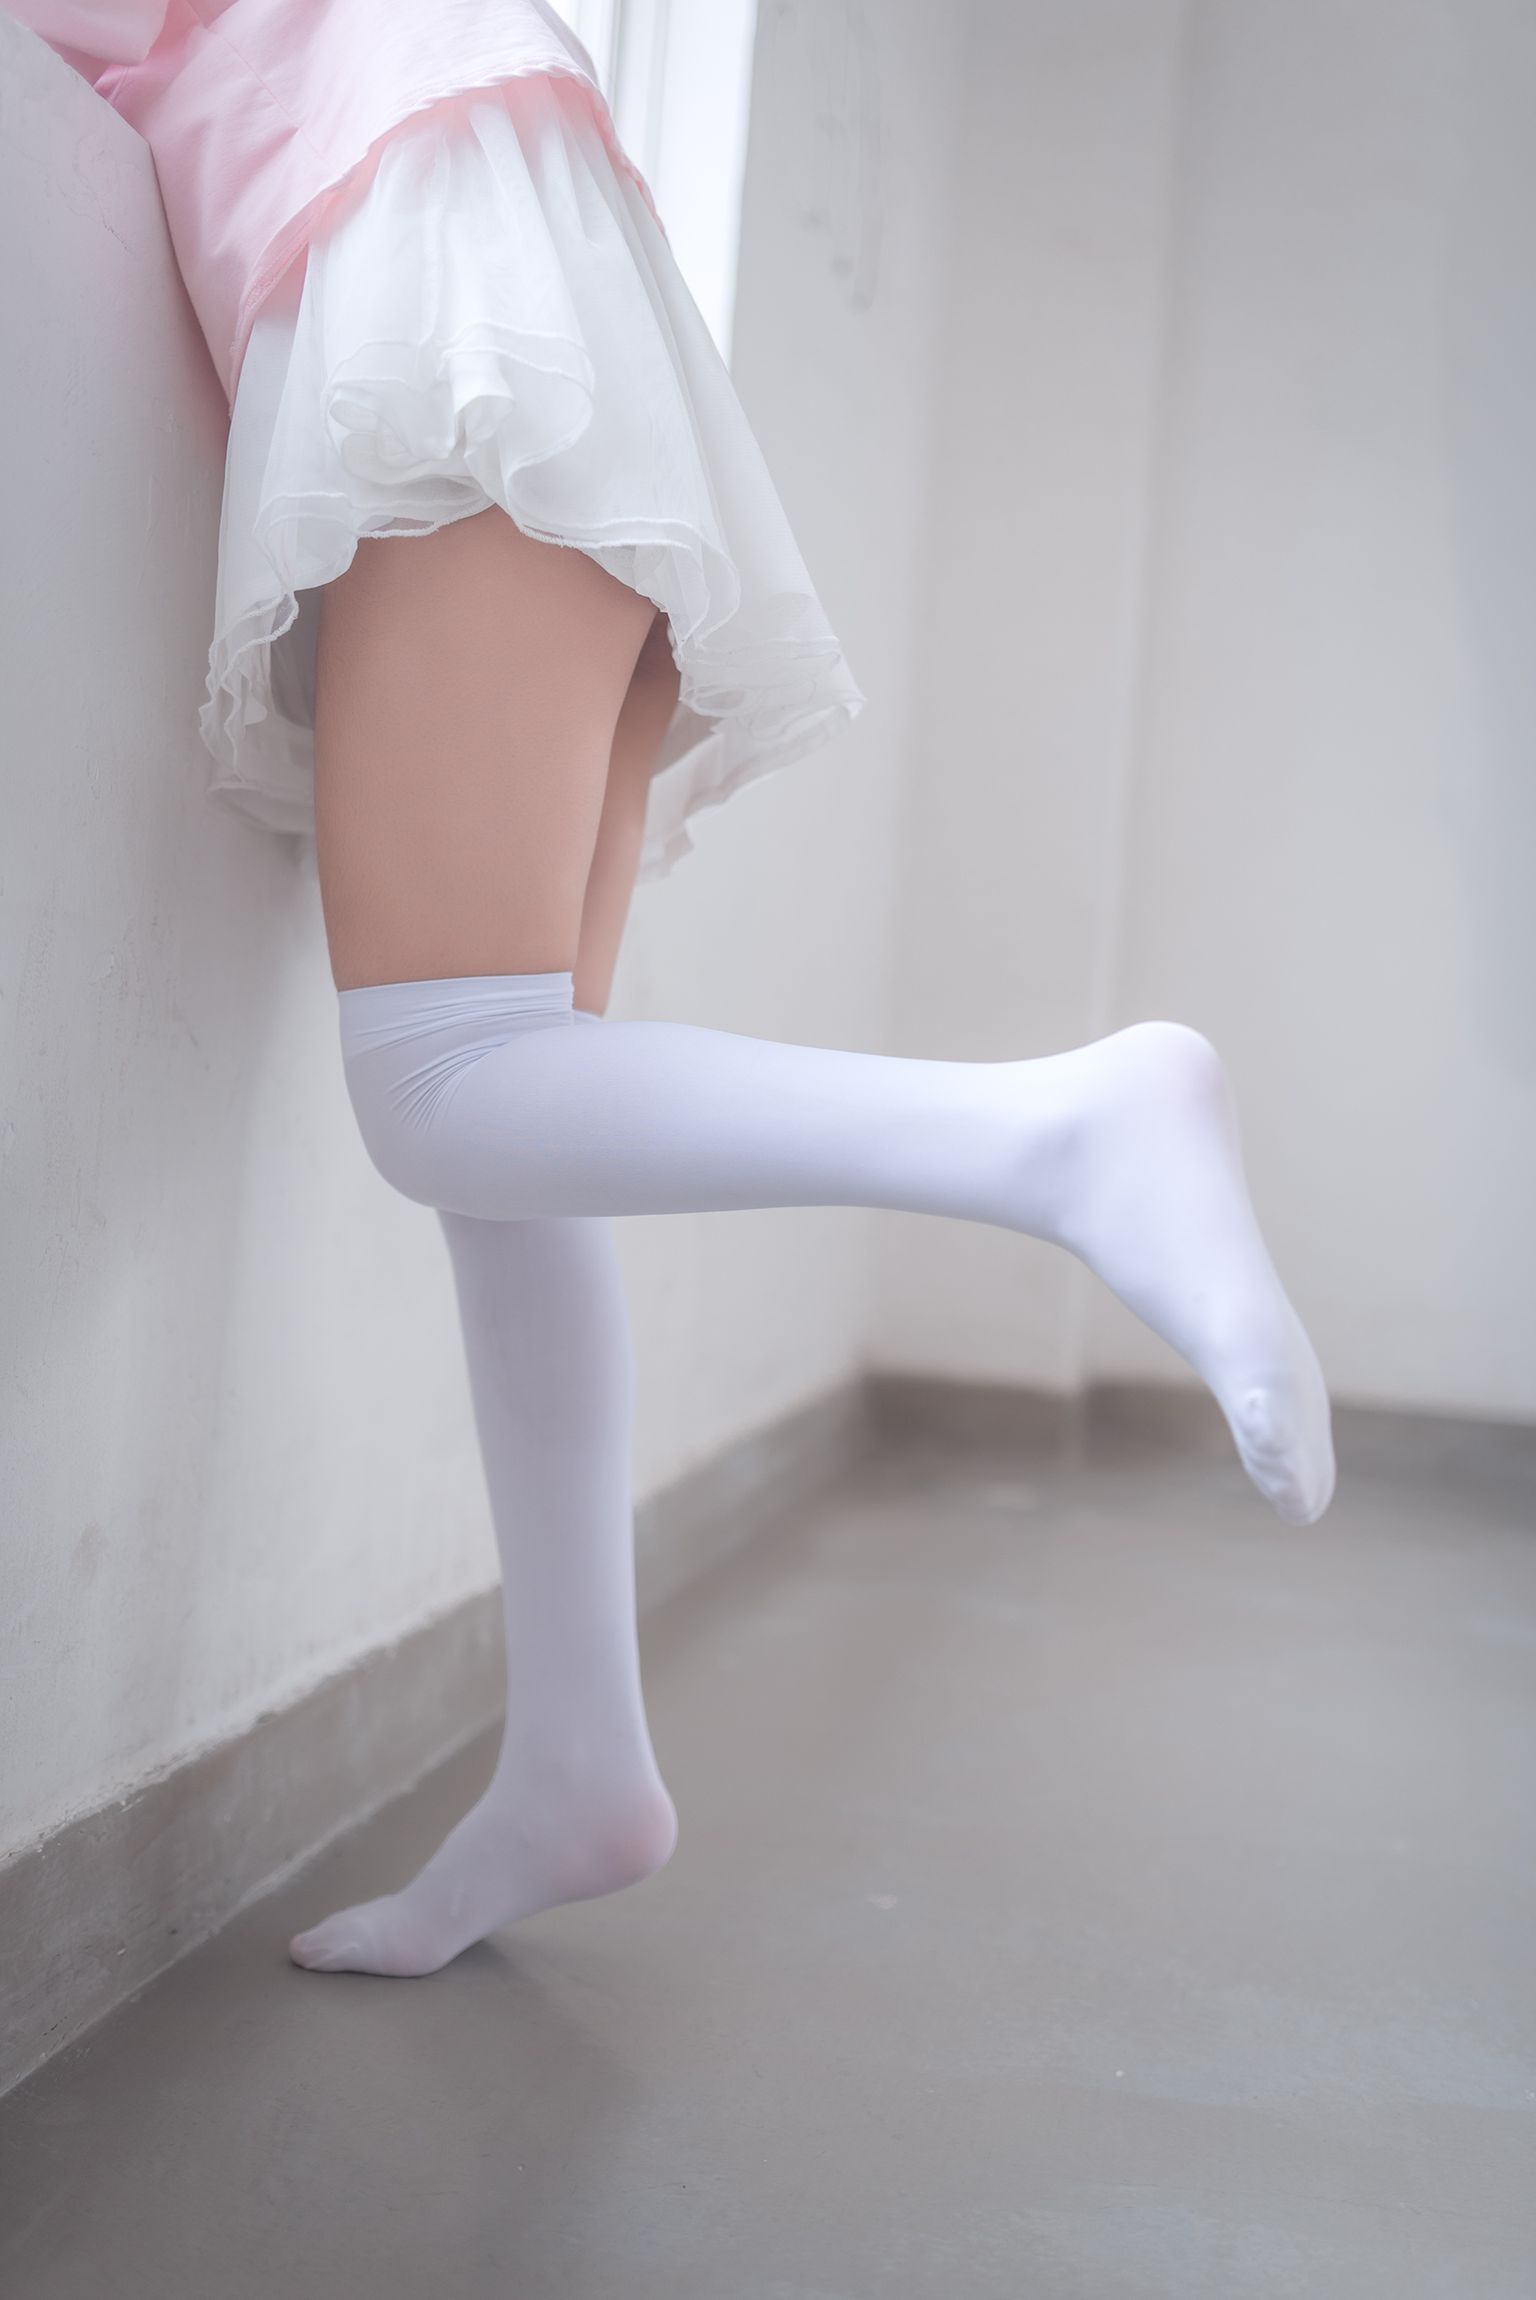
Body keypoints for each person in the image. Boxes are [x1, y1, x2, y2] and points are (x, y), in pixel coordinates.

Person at [19, 0, 1334, 1982]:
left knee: (447, 1081)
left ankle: (1064, 1132)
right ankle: (579, 1759)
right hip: (508, 229)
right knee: (516, 1130)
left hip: (434, 240)